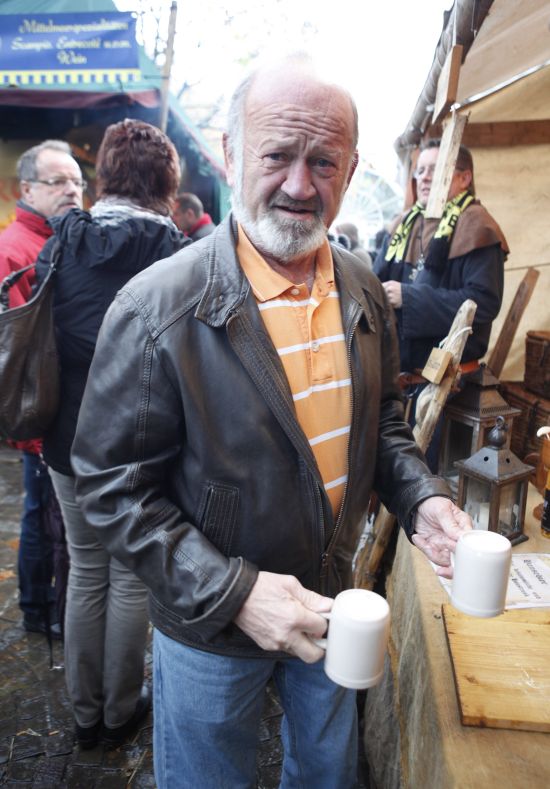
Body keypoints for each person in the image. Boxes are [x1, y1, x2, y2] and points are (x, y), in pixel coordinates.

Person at [71, 57, 472, 788]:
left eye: (323, 162)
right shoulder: (155, 308)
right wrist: (235, 593)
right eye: (277, 155)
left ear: (351, 169)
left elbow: (381, 423)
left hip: (331, 600)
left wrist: (422, 498)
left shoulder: (362, 287)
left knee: (326, 772)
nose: (299, 185)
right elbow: (111, 487)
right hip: (210, 628)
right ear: (230, 154)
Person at [35, 119, 187, 750]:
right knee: (128, 574)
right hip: (140, 446)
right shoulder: (177, 256)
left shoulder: (63, 240)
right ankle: (122, 709)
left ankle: (85, 712)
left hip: (66, 442)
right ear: (166, 181)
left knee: (85, 568)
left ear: (106, 175)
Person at [374, 139, 508, 468]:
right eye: (420, 170)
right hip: (395, 387)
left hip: (448, 392)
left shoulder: (478, 226)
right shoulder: (405, 224)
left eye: (435, 169)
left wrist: (409, 297)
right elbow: (373, 283)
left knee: (431, 482)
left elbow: (484, 303)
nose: (424, 177)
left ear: (464, 178)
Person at [0, 140, 84, 639]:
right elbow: (17, 353)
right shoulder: (14, 250)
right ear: (27, 189)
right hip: (39, 414)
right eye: (58, 181)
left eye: (77, 181)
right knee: (40, 513)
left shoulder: (61, 238)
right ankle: (37, 608)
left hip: (54, 410)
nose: (71, 189)